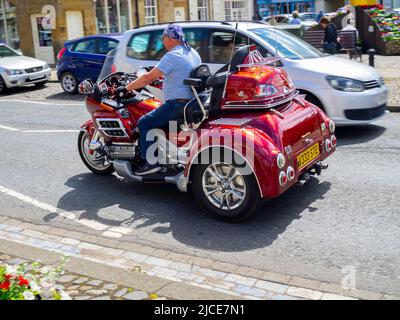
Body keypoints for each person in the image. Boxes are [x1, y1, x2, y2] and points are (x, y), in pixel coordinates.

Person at [118, 24, 202, 176]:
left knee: (144, 122)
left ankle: (149, 163)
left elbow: (146, 79)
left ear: (169, 38)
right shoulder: (192, 52)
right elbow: (181, 74)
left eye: (163, 38)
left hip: (177, 104)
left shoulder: (172, 55)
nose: (163, 41)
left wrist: (125, 89)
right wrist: (161, 80)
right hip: (192, 103)